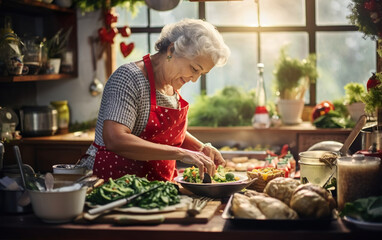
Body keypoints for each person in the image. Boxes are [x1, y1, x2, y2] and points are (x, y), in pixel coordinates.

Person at [80, 18, 231, 182]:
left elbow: (164, 134)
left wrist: (201, 148)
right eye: (194, 69)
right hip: (110, 185)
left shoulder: (172, 85)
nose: (194, 79)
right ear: (172, 50)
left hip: (154, 188)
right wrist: (181, 153)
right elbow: (115, 139)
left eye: (200, 74)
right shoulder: (129, 77)